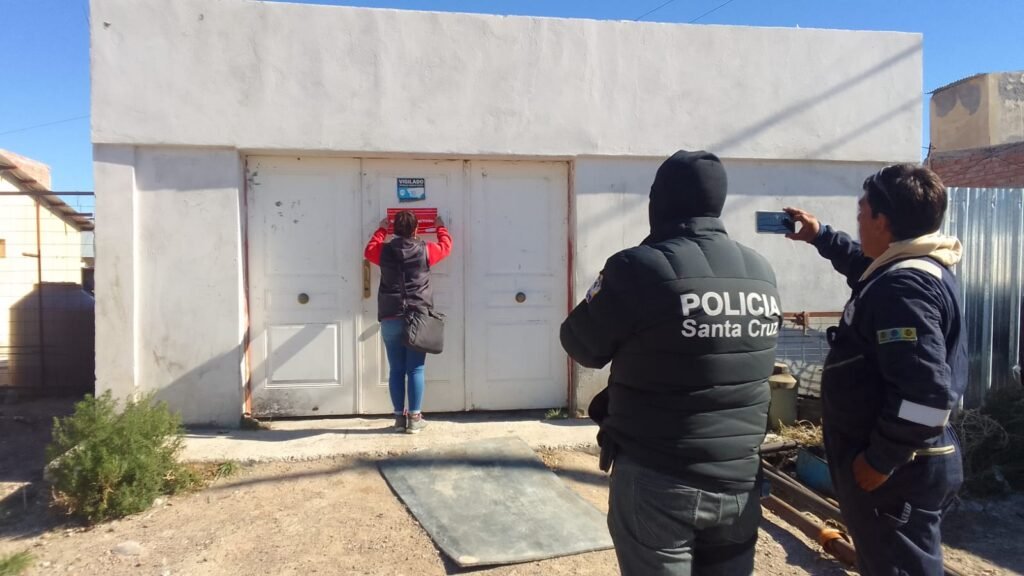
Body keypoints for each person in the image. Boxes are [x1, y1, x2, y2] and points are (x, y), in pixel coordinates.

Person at [560, 150, 782, 576]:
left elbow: (580, 344)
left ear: (658, 202)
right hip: (740, 477)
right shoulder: (760, 271)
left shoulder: (638, 267)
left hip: (659, 477)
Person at [784, 163, 966, 576]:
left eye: (862, 213)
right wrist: (820, 236)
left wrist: (882, 458)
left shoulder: (904, 288)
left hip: (900, 472)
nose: (860, 221)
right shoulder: (911, 267)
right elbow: (865, 270)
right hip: (910, 464)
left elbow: (927, 396)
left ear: (882, 221)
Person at [364, 210, 452, 433]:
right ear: (416, 229)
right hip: (417, 317)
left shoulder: (383, 251)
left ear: (393, 229)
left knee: (396, 369)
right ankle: (414, 418)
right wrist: (440, 227)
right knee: (415, 369)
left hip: (391, 315)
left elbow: (369, 250)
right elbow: (446, 246)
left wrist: (381, 229)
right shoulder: (425, 250)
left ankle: (398, 419)